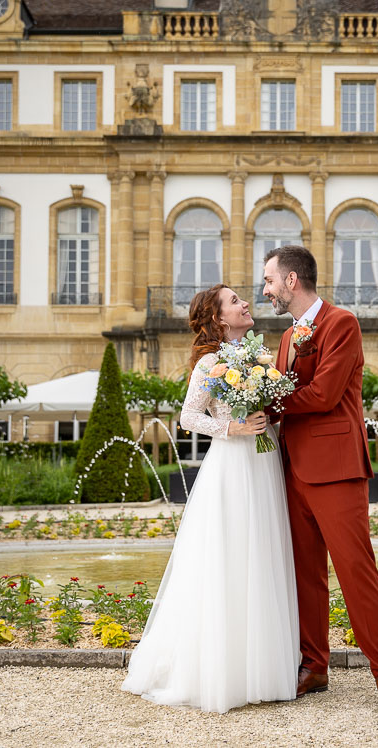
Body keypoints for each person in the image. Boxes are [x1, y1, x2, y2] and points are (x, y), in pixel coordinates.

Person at [121, 284, 299, 714]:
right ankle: (223, 671)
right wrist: (233, 428)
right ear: (219, 318)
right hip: (232, 465)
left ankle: (264, 667)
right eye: (235, 301)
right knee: (231, 556)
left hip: (264, 462)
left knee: (263, 554)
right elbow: (188, 416)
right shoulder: (210, 361)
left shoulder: (260, 357)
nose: (245, 303)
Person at [263, 245, 378, 715]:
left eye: (269, 281)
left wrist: (266, 403)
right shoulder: (287, 337)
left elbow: (324, 394)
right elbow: (287, 393)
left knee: (356, 572)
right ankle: (314, 666)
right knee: (306, 575)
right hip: (292, 469)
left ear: (291, 280)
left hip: (337, 469)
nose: (265, 291)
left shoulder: (342, 323)